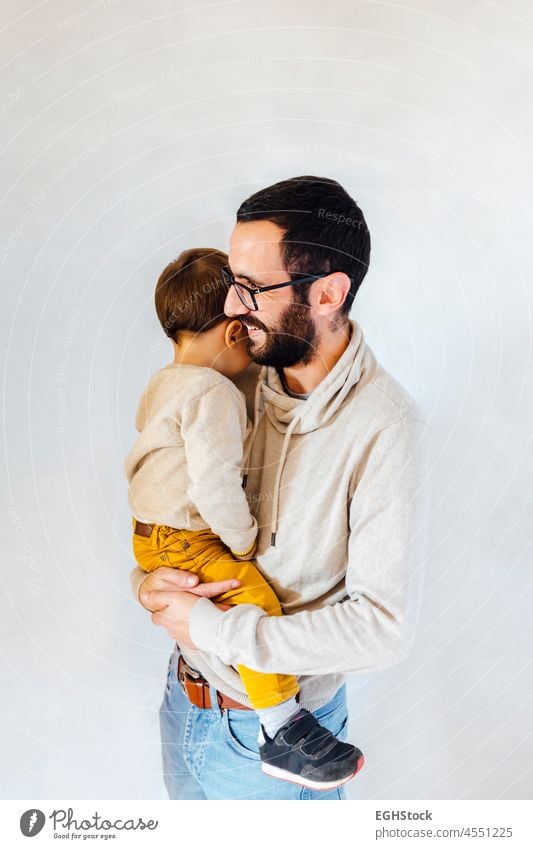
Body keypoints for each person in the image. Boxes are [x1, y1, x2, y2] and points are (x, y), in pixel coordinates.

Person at [131, 175, 429, 801]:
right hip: (184, 700)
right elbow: (171, 503)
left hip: (282, 744)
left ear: (327, 293)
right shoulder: (231, 381)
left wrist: (212, 629)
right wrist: (151, 586)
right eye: (232, 285)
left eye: (250, 289)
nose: (232, 311)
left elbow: (382, 629)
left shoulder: (384, 427)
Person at [124, 247, 364, 790]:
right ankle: (281, 729)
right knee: (253, 602)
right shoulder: (215, 392)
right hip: (190, 537)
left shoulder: (166, 381)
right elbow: (214, 483)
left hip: (154, 538)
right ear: (236, 334)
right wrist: (243, 539)